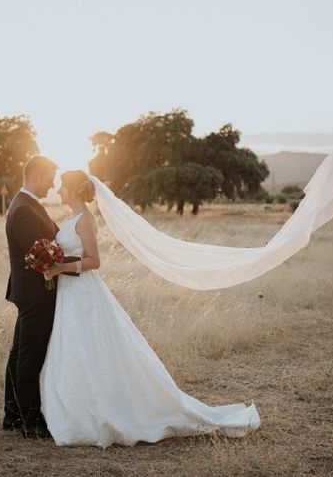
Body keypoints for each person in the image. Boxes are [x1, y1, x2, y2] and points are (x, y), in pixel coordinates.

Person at [38, 170, 260, 447]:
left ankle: (102, 412)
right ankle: (76, 408)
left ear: (73, 190)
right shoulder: (71, 219)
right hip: (69, 293)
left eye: (62, 187)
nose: (58, 191)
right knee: (75, 348)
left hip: (84, 292)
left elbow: (94, 261)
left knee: (90, 347)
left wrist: (60, 267)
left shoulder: (86, 220)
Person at [3, 155, 59, 439]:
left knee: (19, 354)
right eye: (50, 177)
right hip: (36, 292)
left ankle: (12, 414)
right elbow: (39, 255)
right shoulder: (23, 209)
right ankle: (30, 419)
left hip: (32, 291)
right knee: (29, 356)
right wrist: (75, 264)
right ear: (36, 176)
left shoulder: (28, 204)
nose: (52, 184)